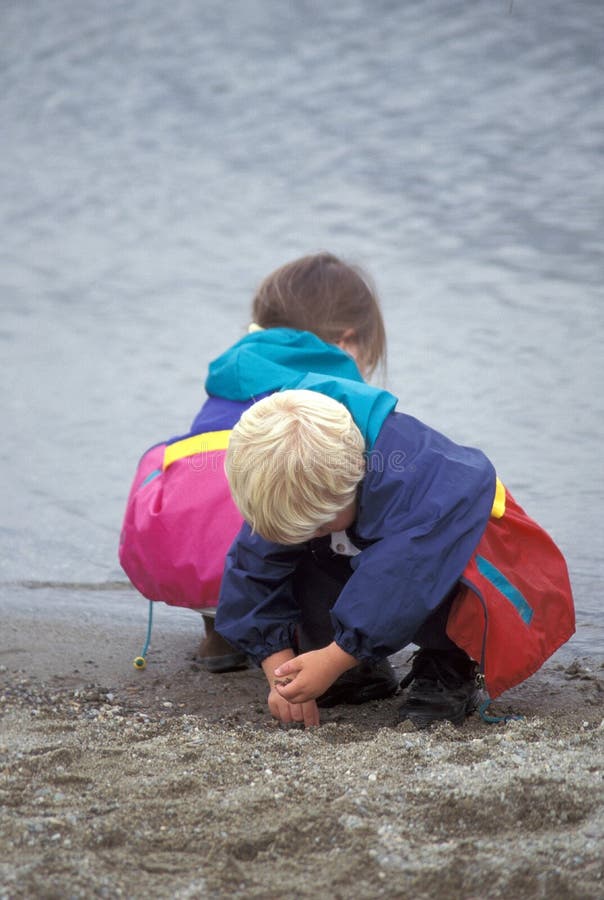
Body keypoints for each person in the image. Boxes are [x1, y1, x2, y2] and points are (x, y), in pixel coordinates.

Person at [119, 252, 397, 701]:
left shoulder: (231, 371)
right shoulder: (335, 383)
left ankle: (219, 636)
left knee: (232, 480)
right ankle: (314, 638)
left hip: (178, 552)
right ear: (348, 342)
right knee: (330, 493)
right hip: (249, 554)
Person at [215, 386, 575, 729]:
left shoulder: (417, 482)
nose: (313, 531)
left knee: (422, 567)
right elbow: (253, 569)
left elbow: (399, 580)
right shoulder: (295, 477)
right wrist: (280, 670)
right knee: (291, 547)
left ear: (354, 479)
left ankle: (447, 666)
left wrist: (335, 658)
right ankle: (359, 670)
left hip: (452, 556)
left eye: (320, 524)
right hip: (375, 551)